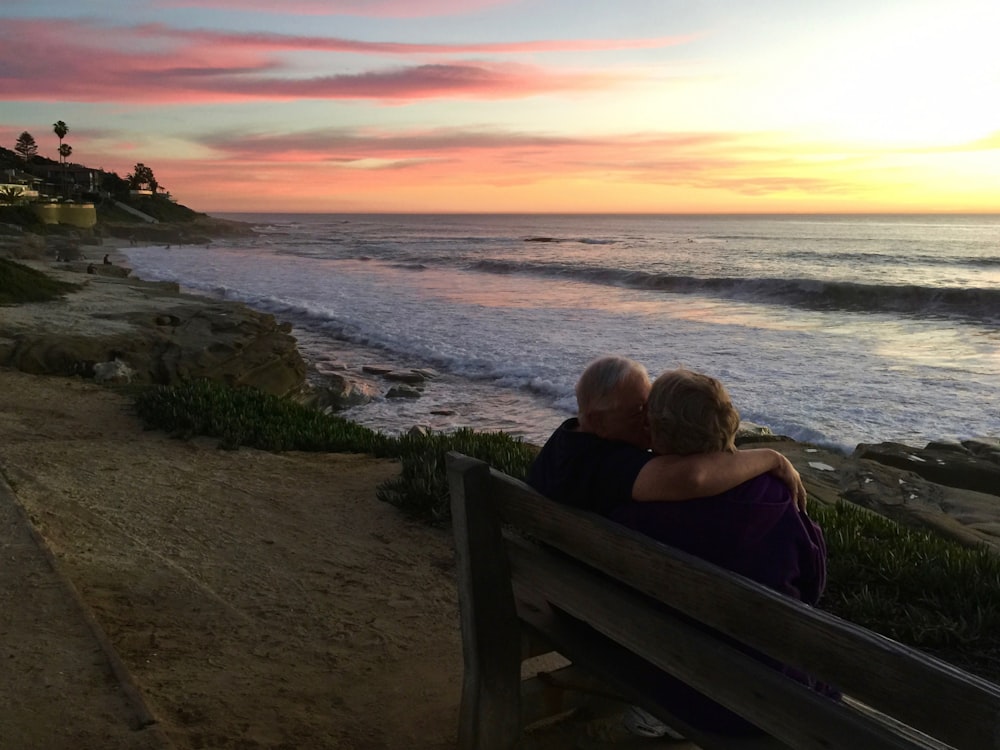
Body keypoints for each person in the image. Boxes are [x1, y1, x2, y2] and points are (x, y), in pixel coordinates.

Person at [608, 368, 836, 735]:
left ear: (658, 430)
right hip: (768, 696)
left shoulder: (635, 507)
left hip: (668, 680)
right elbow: (813, 585)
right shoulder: (778, 498)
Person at [527, 356, 807, 513]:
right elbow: (693, 477)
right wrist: (774, 459)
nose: (652, 417)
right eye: (639, 410)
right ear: (599, 421)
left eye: (651, 405)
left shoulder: (566, 439)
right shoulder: (611, 465)